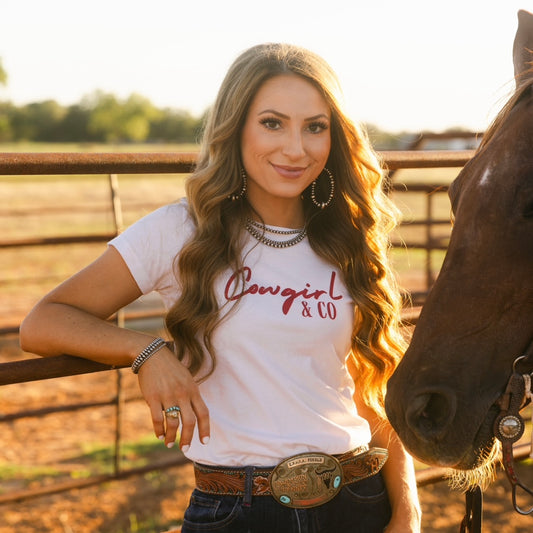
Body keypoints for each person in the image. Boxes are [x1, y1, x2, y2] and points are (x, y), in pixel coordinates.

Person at [20, 43, 421, 532]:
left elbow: (370, 388)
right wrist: (147, 353)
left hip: (358, 499)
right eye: (272, 123)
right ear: (235, 128)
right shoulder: (179, 232)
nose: (296, 148)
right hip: (237, 511)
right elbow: (43, 321)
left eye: (315, 127)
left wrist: (408, 508)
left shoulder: (347, 239)